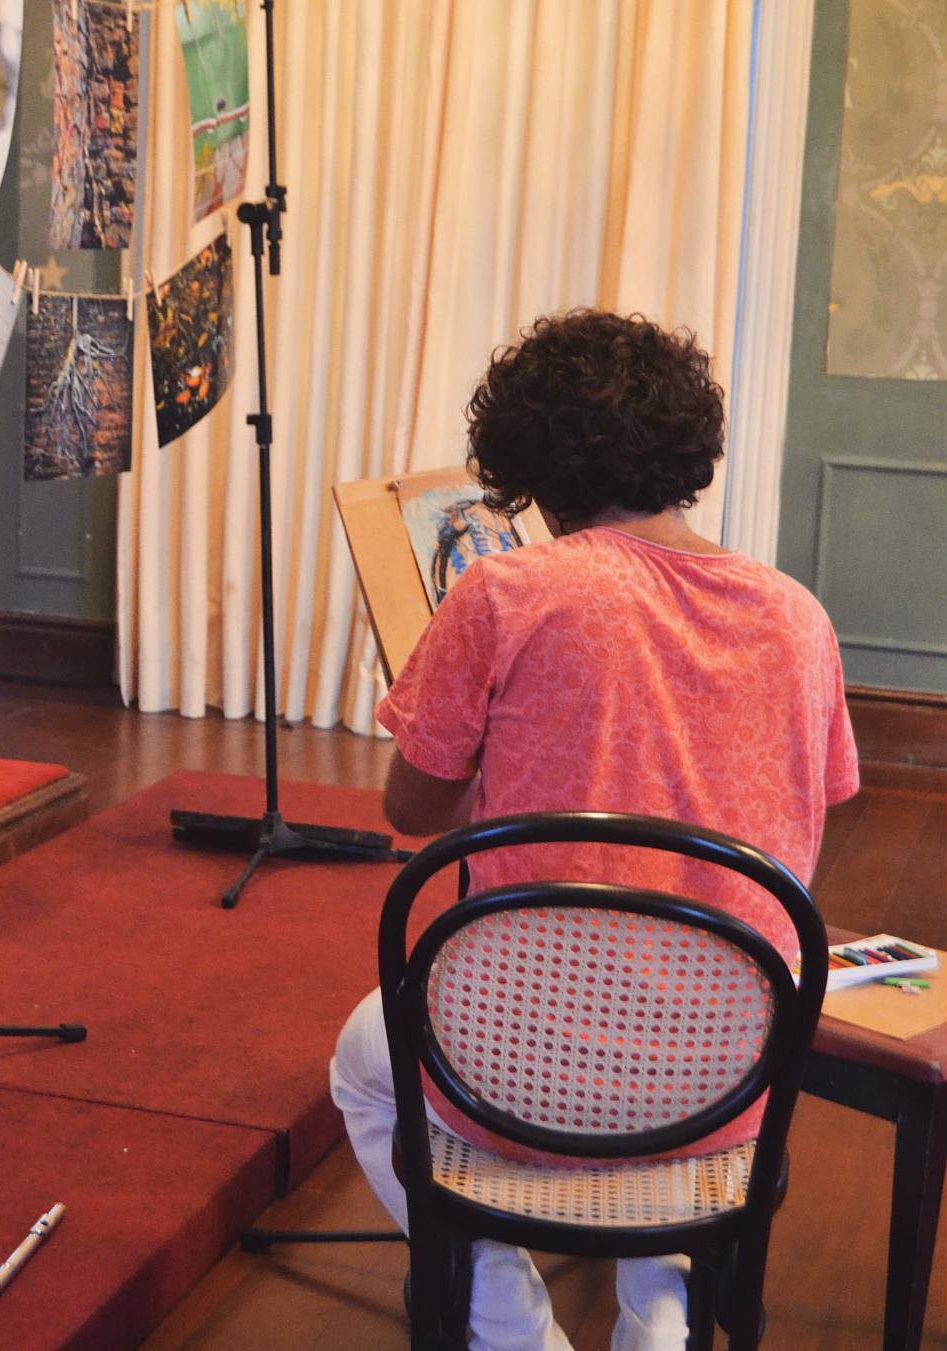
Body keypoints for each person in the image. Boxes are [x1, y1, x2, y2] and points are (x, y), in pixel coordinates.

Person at [330, 309, 860, 1351]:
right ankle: (658, 1324)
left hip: (512, 1072)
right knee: (686, 1006)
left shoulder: (505, 591)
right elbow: (799, 827)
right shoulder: (800, 617)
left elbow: (412, 811)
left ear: (528, 463)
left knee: (361, 1066)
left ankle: (514, 1331)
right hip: (727, 1076)